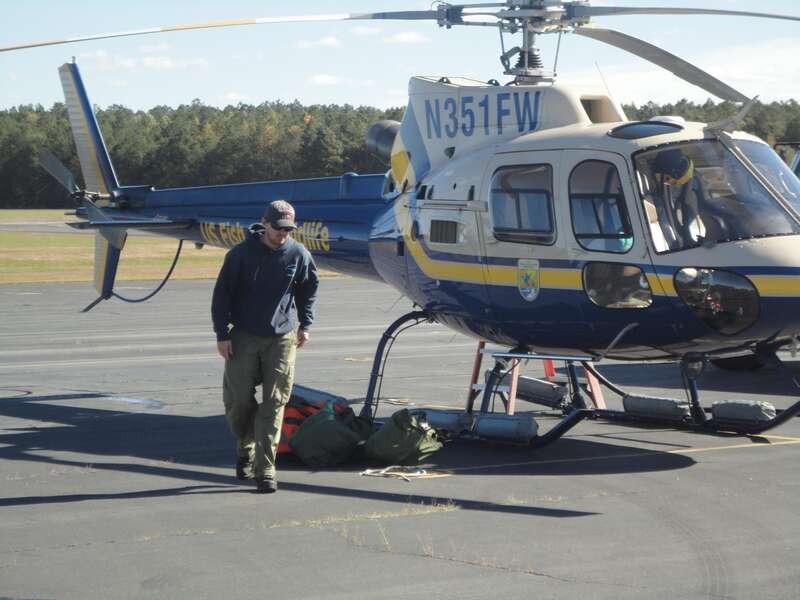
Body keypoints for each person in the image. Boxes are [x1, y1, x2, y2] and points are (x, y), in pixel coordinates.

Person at [211, 199, 318, 494]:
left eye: (288, 230)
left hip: (282, 338)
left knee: (275, 402)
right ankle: (244, 445)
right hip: (244, 335)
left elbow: (308, 288)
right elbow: (222, 296)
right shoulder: (240, 255)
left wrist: (306, 324)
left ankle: (265, 469)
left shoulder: (298, 254)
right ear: (265, 223)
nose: (283, 235)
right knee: (239, 402)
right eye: (278, 228)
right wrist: (222, 334)